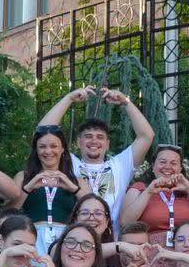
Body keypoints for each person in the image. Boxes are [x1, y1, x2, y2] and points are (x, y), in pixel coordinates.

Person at [56, 86, 155, 220]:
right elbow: (43, 132)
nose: (94, 141)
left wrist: (125, 102)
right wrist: (69, 98)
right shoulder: (69, 163)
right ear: (79, 142)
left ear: (107, 144)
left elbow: (146, 136)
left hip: (111, 233)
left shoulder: (120, 165)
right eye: (88, 136)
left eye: (100, 137)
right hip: (77, 232)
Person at [123, 143, 189, 245]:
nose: (167, 167)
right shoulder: (140, 188)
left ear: (180, 168)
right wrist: (148, 192)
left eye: (173, 163)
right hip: (150, 249)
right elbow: (125, 222)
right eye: (162, 162)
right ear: (153, 166)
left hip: (187, 249)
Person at [13, 124, 80, 252]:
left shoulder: (77, 181)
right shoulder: (23, 177)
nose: (48, 151)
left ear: (63, 149)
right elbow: (9, 211)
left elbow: (93, 206)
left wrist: (73, 188)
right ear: (36, 150)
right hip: (31, 236)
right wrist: (28, 188)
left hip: (66, 239)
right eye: (42, 147)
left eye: (54, 146)